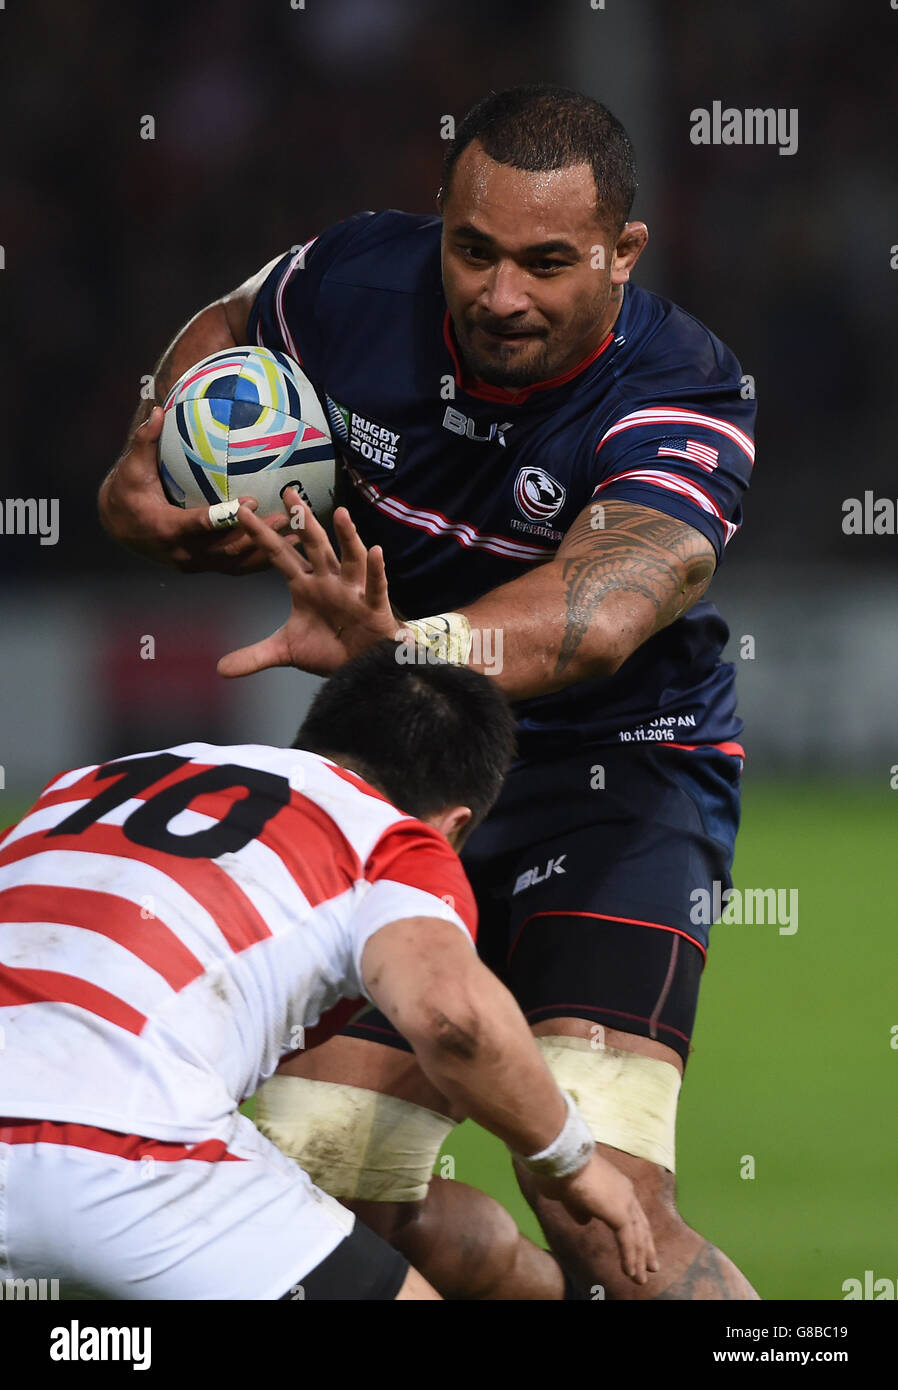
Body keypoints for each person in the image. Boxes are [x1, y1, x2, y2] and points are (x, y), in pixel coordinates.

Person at [99, 84, 758, 1300]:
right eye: (474, 250)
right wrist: (152, 470)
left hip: (609, 781)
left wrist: (399, 644)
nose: (500, 294)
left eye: (548, 263)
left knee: (604, 1215)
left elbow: (596, 616)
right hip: (394, 777)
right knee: (313, 1181)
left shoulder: (687, 387)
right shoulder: (351, 279)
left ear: (623, 254)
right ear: (438, 223)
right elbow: (226, 324)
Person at [0, 642, 656, 1300]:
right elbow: (454, 1021)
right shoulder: (393, 838)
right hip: (138, 1157)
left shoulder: (79, 785)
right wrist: (572, 1161)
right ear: (453, 827)